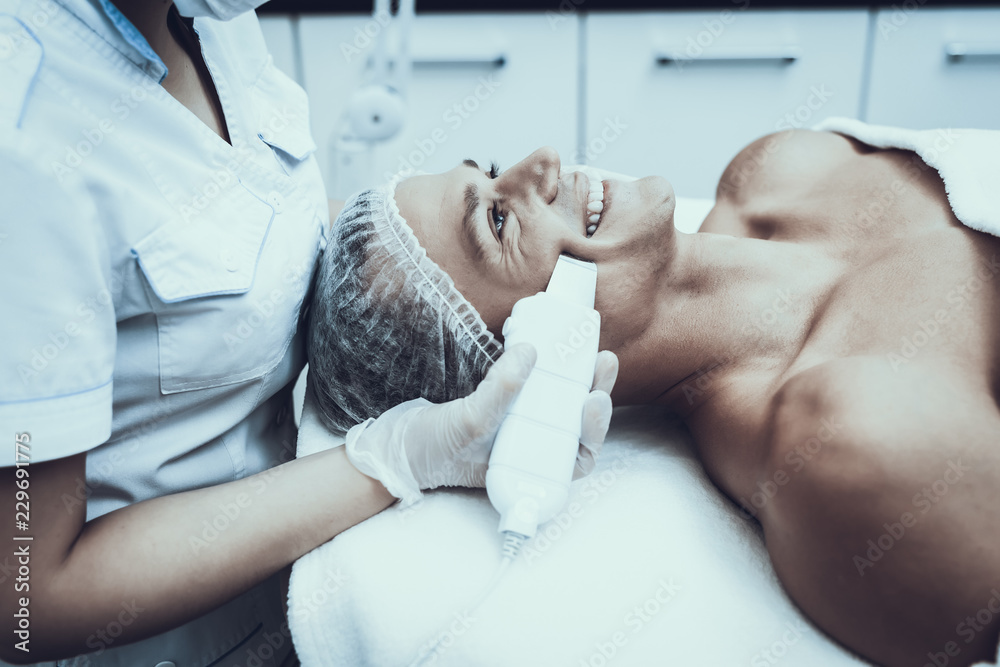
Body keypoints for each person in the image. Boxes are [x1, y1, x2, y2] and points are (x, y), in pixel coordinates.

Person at [0, 1, 618, 664]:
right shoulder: (26, 138)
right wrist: (393, 457)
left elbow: (247, 232)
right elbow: (27, 598)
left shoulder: (211, 18)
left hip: (290, 605)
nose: (546, 162)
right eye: (495, 212)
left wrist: (401, 271)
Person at [306, 134, 1000, 667]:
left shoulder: (776, 168)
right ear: (520, 367)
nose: (541, 161)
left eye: (491, 170)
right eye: (497, 220)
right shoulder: (850, 450)